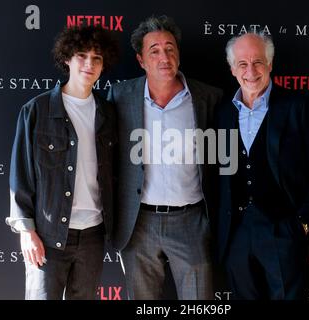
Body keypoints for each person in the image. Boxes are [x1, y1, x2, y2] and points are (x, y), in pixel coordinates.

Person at [107, 15, 222, 300]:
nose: (164, 57)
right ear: (141, 60)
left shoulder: (208, 97)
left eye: (170, 48)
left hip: (192, 220)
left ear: (179, 54)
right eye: (154, 50)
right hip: (139, 222)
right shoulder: (120, 96)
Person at [6, 25, 118, 300]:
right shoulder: (37, 110)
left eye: (97, 58)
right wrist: (26, 231)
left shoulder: (109, 113)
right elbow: (20, 175)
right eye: (81, 55)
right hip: (47, 235)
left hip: (92, 236)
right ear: (67, 58)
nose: (89, 64)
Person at [216, 32, 309, 300]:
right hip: (237, 234)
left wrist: (301, 223)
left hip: (283, 230)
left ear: (270, 64)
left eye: (258, 62)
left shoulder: (298, 107)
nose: (251, 71)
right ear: (233, 69)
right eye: (242, 64)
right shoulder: (222, 112)